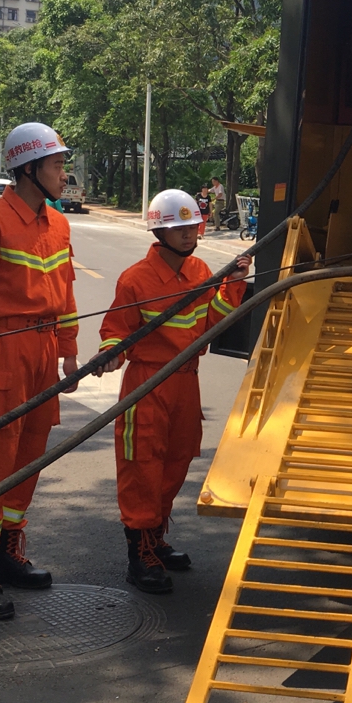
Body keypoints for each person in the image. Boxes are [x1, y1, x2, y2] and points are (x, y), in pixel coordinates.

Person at [0, 122, 79, 620]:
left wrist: (69, 351)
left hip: (45, 352)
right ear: (28, 168)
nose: (64, 174)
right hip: (3, 351)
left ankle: (6, 555)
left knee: (29, 456)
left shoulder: (58, 224)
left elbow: (66, 293)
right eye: (56, 165)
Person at [95, 189, 249, 593]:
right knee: (143, 467)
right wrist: (111, 353)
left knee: (176, 461)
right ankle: (139, 555)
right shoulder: (135, 279)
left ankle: (155, 540)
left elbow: (210, 320)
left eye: (192, 225)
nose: (188, 233)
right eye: (178, 227)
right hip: (147, 384)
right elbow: (115, 330)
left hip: (185, 383)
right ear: (159, 232)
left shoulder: (200, 271)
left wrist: (232, 285)